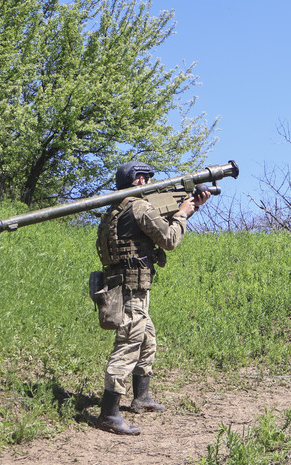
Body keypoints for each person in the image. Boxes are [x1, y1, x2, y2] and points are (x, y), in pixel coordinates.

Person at [94, 161, 210, 435]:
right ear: (139, 181)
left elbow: (149, 235)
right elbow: (169, 239)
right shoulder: (140, 207)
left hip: (123, 287)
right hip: (131, 289)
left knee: (147, 339)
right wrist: (183, 213)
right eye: (146, 178)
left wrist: (188, 210)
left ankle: (141, 398)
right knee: (128, 345)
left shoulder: (115, 210)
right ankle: (109, 413)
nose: (149, 183)